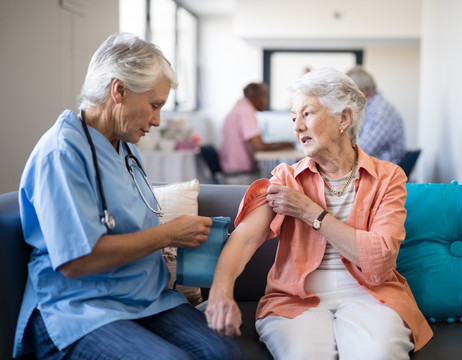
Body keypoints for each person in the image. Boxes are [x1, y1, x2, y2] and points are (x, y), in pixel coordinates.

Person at [13, 32, 245, 360]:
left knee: (226, 354)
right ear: (118, 90)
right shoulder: (62, 153)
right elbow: (77, 261)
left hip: (144, 299)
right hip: (82, 307)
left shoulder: (123, 147)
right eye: (154, 105)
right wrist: (168, 234)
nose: (157, 120)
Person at [206, 68, 432, 359]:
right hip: (295, 299)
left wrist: (311, 212)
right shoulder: (286, 177)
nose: (297, 127)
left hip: (371, 294)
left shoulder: (388, 177)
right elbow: (245, 239)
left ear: (343, 118)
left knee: (377, 354)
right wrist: (221, 291)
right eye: (293, 117)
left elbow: (378, 260)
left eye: (307, 114)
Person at [219, 82, 295, 184]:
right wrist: (285, 144)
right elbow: (260, 146)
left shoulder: (237, 108)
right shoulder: (246, 111)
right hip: (241, 177)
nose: (266, 102)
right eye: (264, 97)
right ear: (256, 97)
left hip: (232, 174)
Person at [346, 65, 406, 165]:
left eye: (348, 93)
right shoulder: (370, 108)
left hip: (384, 172)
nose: (346, 98)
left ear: (361, 92)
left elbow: (362, 150)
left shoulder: (380, 111)